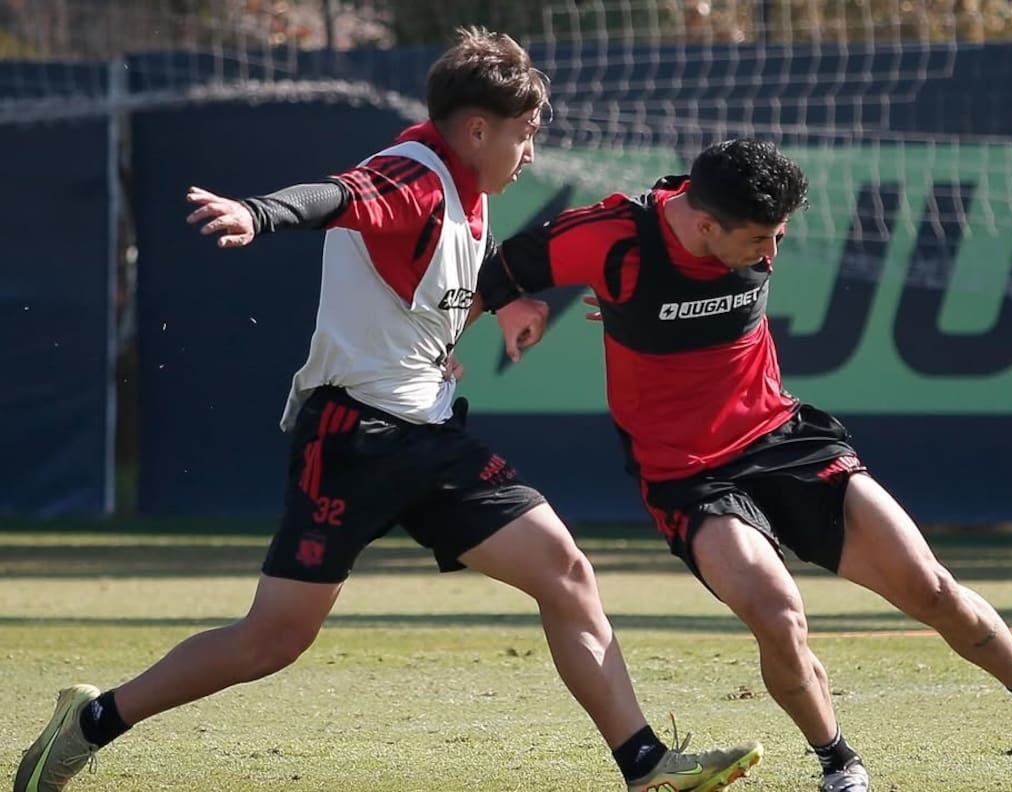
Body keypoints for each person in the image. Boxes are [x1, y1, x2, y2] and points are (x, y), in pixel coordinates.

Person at [12, 29, 763, 792]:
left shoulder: (467, 195)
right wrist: (258, 213)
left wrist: (500, 309)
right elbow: (336, 198)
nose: (531, 153)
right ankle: (90, 722)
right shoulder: (413, 176)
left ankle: (644, 765)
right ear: (477, 130)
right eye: (525, 134)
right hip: (354, 438)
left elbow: (432, 292)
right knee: (272, 639)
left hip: (430, 435)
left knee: (565, 571)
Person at [475, 138, 1012, 792]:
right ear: (706, 227)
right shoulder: (617, 237)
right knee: (779, 616)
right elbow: (497, 268)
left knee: (930, 588)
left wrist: (639, 308)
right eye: (761, 239)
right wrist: (507, 307)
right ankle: (840, 763)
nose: (772, 253)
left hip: (784, 439)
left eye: (780, 234)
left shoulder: (740, 224)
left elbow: (692, 287)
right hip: (688, 475)